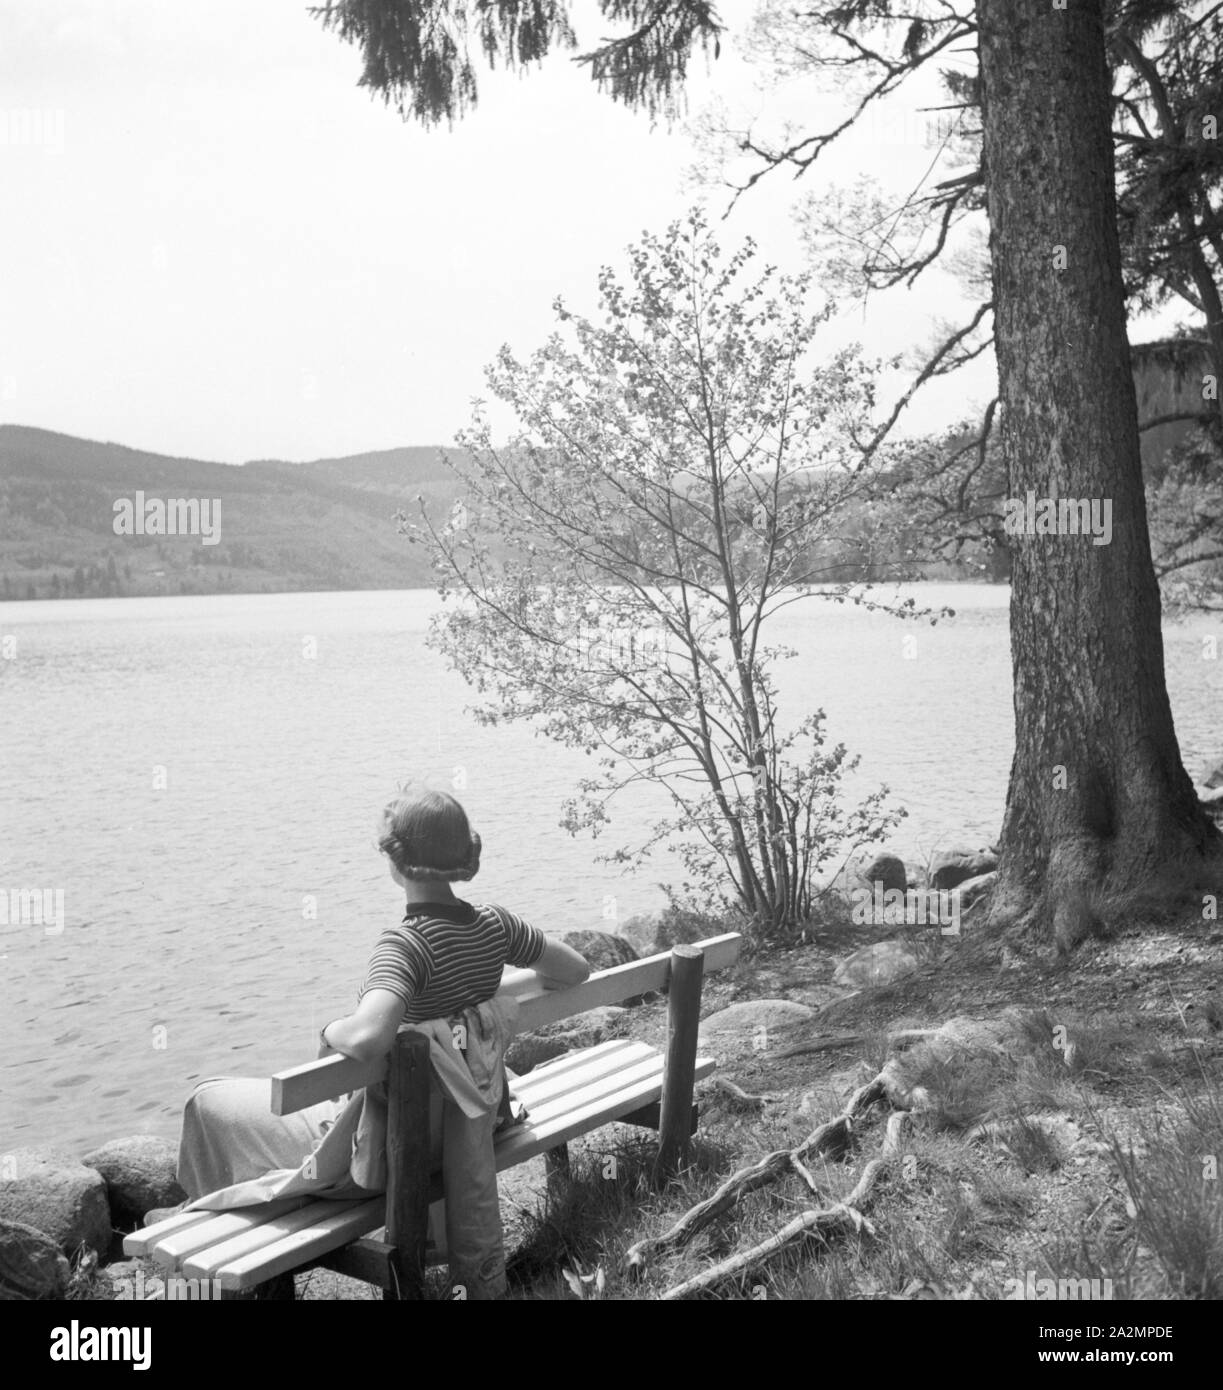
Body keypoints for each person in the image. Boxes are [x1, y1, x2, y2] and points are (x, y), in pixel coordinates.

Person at [175, 785, 590, 1300]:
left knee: (208, 1101)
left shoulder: (406, 946)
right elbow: (576, 969)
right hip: (471, 1128)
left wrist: (330, 1029)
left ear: (397, 863)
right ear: (464, 855)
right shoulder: (495, 926)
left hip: (389, 1153)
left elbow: (369, 1038)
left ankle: (219, 1267)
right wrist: (485, 999)